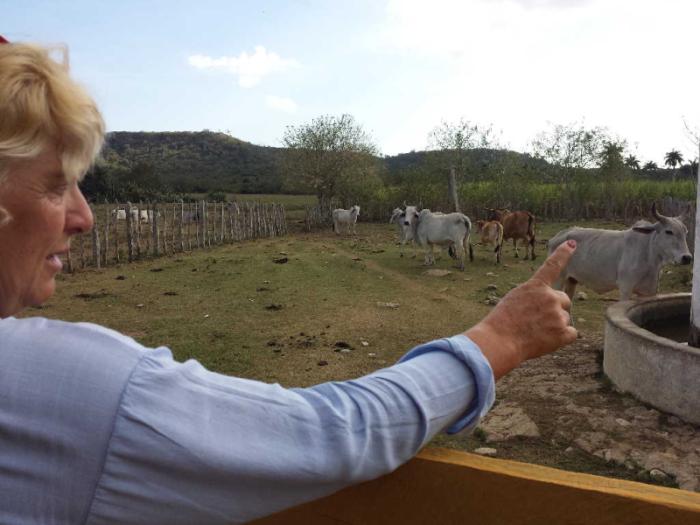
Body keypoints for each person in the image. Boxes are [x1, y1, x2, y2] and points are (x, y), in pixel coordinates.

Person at [0, 40, 577, 525]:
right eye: (55, 185)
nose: (85, 217)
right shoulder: (64, 388)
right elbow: (331, 435)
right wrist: (503, 336)